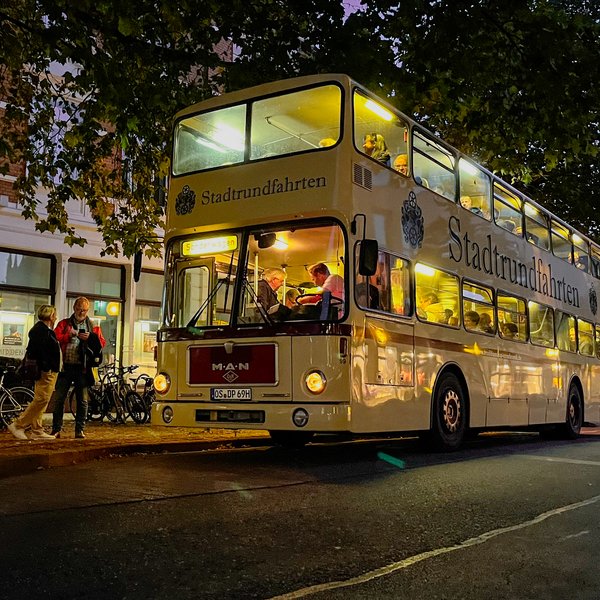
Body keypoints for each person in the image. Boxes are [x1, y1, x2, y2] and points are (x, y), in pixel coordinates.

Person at [52, 296, 106, 439]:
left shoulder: (93, 326)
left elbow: (101, 344)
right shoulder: (64, 323)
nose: (81, 312)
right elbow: (55, 336)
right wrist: (67, 336)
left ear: (88, 310)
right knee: (59, 399)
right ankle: (56, 429)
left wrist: (91, 337)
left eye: (84, 310)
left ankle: (79, 430)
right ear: (74, 308)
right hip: (66, 367)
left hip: (83, 369)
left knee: (82, 400)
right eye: (79, 309)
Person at [7, 305, 61, 440]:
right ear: (50, 316)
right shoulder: (41, 331)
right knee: (41, 399)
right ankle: (19, 424)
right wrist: (47, 366)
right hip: (46, 371)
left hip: (49, 370)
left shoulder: (44, 330)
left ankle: (37, 430)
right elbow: (39, 352)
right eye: (54, 314)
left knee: (42, 400)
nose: (56, 317)